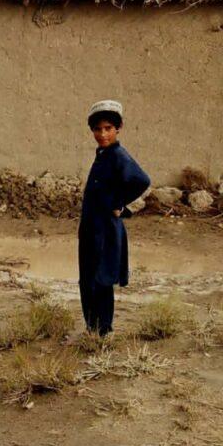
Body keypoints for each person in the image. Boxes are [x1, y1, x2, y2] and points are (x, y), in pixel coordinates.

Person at [78, 100, 150, 336]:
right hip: (91, 228)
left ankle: (103, 331)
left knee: (101, 280)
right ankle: (92, 329)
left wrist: (119, 204)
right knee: (87, 279)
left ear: (118, 128)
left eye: (108, 128)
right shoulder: (103, 155)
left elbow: (141, 180)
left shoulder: (118, 155)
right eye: (98, 129)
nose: (102, 134)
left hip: (105, 231)